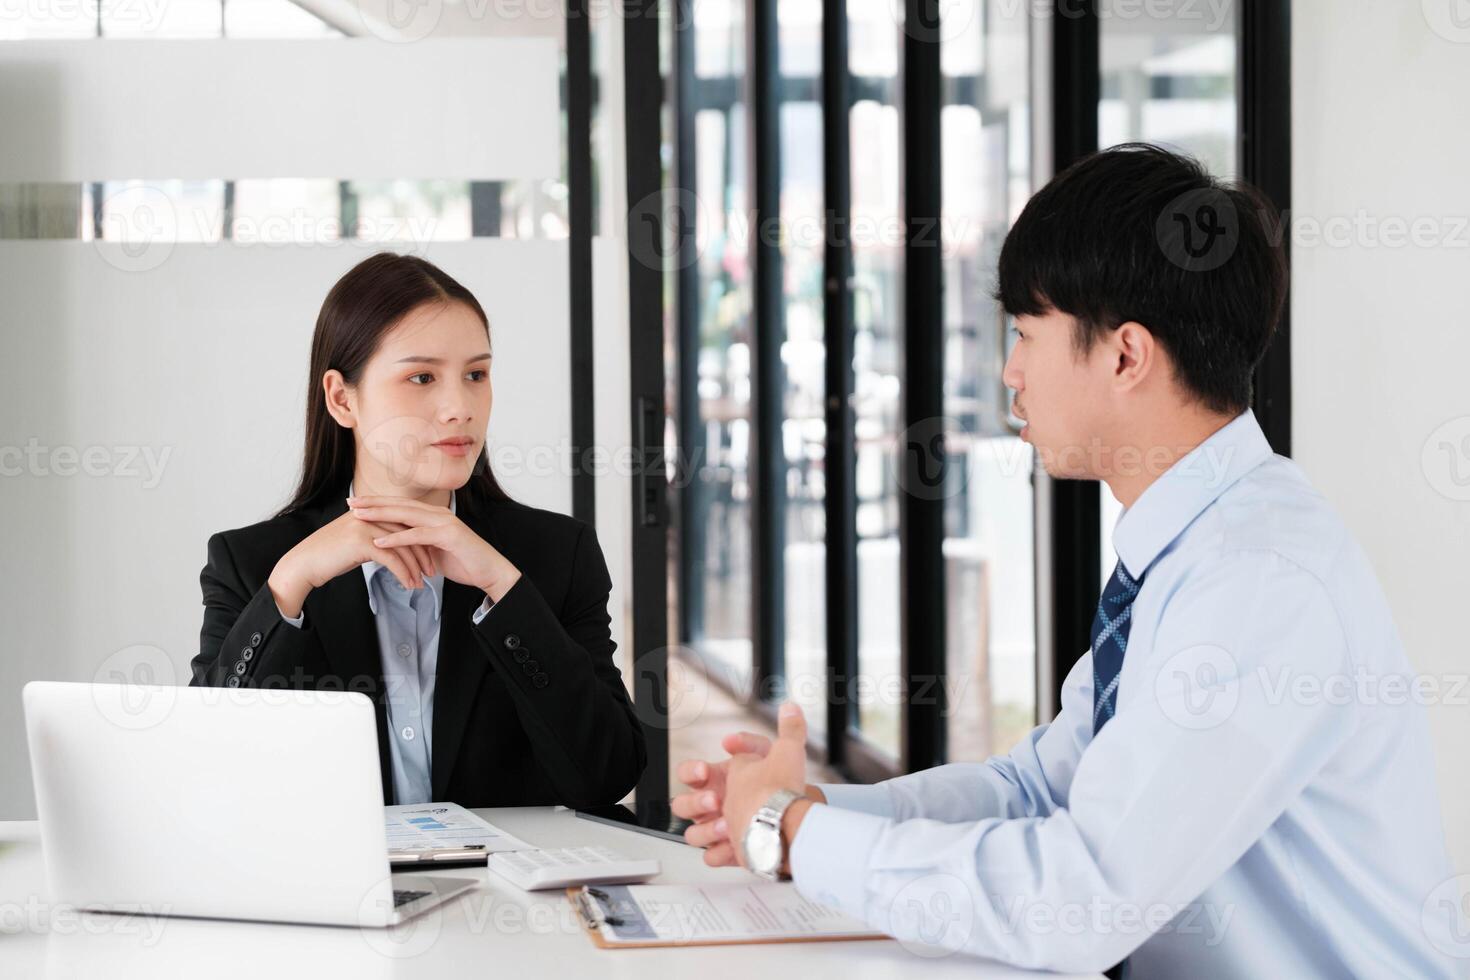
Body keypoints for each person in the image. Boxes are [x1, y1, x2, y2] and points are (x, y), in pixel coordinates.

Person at [671, 145, 1459, 978]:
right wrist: (819, 807)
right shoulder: (1191, 547)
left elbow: (1082, 900)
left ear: (1125, 355)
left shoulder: (1255, 581)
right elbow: (1040, 789)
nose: (1010, 373)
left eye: (1025, 333)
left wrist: (795, 835)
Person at [192, 252, 645, 808]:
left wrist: (505, 592)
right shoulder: (256, 564)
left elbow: (607, 774)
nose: (460, 407)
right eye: (422, 377)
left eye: (476, 375)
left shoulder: (554, 555)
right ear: (342, 398)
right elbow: (206, 768)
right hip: (335, 890)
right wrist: (292, 581)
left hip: (507, 892)